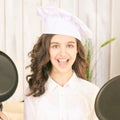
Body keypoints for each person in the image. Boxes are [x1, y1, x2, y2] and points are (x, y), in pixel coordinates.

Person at [24, 7, 99, 120]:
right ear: (46, 50)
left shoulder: (92, 92)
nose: (63, 53)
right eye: (55, 46)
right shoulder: (33, 92)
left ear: (77, 49)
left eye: (69, 45)